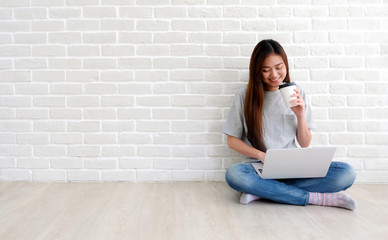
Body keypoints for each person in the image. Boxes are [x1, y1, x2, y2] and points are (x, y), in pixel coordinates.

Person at [223, 39, 357, 210]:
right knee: (235, 175)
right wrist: (262, 156)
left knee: (346, 173)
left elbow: (305, 143)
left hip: (293, 169)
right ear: (257, 71)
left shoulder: (297, 93)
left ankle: (263, 192)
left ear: (285, 64)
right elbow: (232, 141)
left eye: (279, 67)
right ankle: (313, 198)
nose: (274, 75)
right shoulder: (245, 95)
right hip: (258, 169)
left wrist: (300, 115)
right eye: (266, 70)